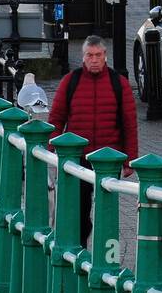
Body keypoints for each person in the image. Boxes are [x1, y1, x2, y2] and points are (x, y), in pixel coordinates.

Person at [48, 36, 140, 246]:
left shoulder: (119, 84)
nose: (94, 60)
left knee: (107, 210)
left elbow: (129, 124)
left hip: (109, 159)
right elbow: (56, 118)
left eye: (98, 55)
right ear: (84, 57)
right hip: (78, 157)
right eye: (90, 55)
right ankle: (80, 249)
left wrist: (130, 160)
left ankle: (105, 254)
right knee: (80, 209)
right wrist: (52, 151)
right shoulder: (71, 81)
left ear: (105, 56)